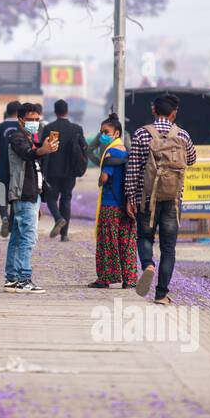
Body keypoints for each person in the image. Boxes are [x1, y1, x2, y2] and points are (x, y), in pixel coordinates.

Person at [124, 91, 197, 305]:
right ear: (173, 114)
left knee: (145, 238)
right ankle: (161, 294)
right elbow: (191, 159)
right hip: (173, 199)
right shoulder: (182, 135)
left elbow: (134, 168)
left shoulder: (141, 134)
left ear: (153, 111)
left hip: (146, 198)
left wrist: (130, 198)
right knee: (168, 248)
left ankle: (148, 264)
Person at [4, 102, 58, 293]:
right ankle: (23, 279)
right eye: (30, 120)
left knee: (17, 237)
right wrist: (42, 151)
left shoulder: (29, 137)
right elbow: (27, 154)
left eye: (37, 120)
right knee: (28, 238)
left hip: (29, 194)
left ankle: (11, 278)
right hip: (24, 193)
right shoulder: (17, 137)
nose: (35, 123)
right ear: (20, 120)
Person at [90, 114, 136, 289]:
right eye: (101, 132)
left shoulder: (111, 151)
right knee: (126, 242)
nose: (103, 135)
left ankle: (105, 278)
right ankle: (130, 279)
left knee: (107, 242)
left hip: (110, 204)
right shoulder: (124, 150)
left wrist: (101, 181)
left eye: (106, 132)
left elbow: (104, 176)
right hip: (126, 203)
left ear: (116, 133)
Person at [41, 99, 88, 241]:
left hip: (53, 171)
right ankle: (64, 235)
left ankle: (58, 218)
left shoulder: (50, 128)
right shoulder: (76, 128)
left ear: (55, 112)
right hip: (70, 171)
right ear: (67, 111)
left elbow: (44, 150)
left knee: (51, 198)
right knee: (66, 200)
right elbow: (84, 147)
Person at [0, 100, 22, 237]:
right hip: (19, 169)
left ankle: (4, 217)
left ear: (7, 111)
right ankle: (12, 223)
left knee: (1, 193)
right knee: (15, 196)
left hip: (3, 167)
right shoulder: (24, 127)